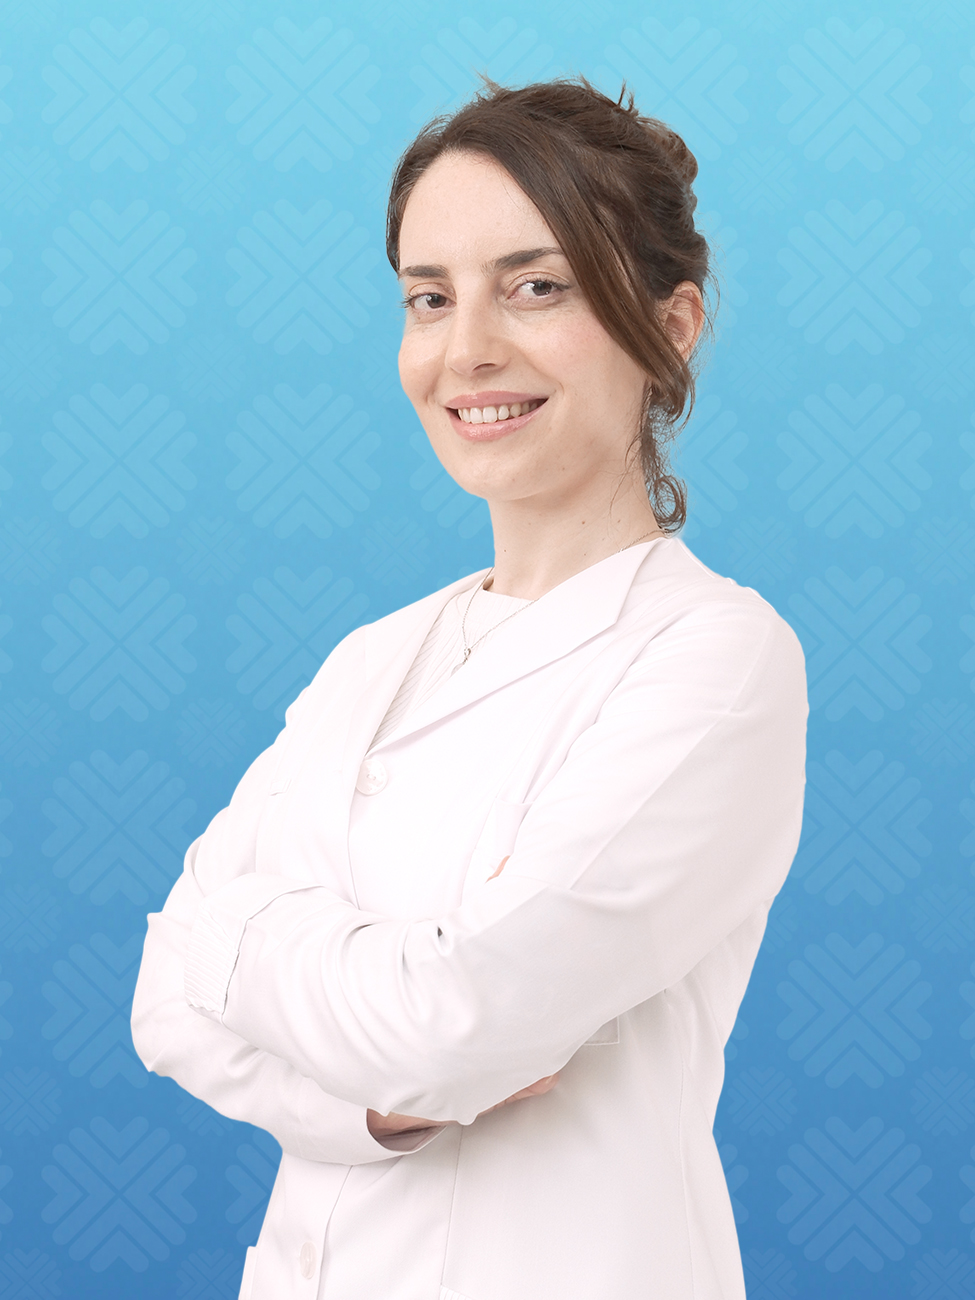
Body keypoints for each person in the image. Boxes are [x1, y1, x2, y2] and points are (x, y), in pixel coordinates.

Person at [132, 78, 807, 1300]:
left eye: (535, 286)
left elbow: (454, 1022)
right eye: (429, 298)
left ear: (674, 323)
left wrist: (229, 930)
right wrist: (377, 1102)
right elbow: (161, 1006)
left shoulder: (716, 658)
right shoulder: (371, 657)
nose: (467, 349)